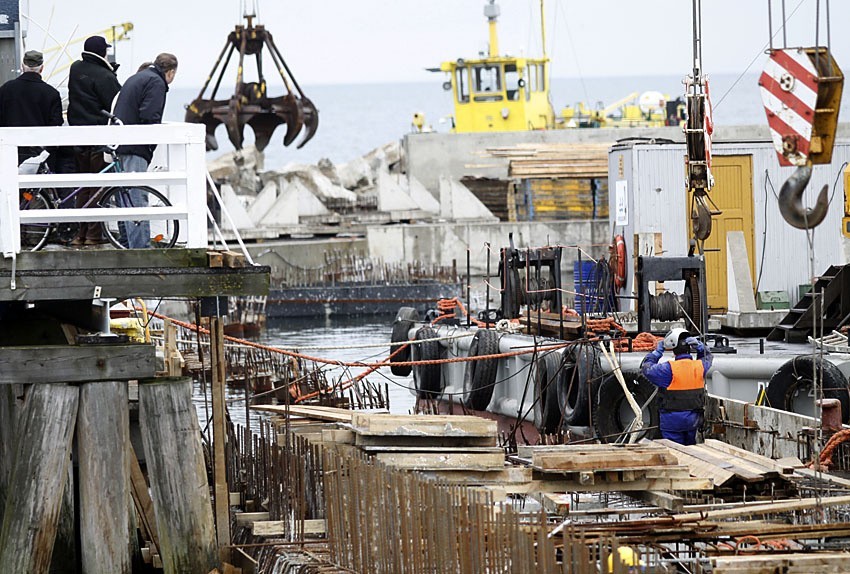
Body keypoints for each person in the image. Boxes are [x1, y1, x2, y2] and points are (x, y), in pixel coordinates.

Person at [112, 52, 178, 248]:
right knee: (136, 196)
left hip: (122, 142)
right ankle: (141, 248)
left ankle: (127, 241)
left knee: (125, 195)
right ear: (171, 72)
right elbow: (150, 114)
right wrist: (151, 143)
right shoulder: (156, 83)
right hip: (136, 145)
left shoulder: (137, 78)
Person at [67, 35, 122, 246]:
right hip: (98, 136)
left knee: (82, 186)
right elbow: (114, 102)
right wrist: (111, 73)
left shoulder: (75, 69)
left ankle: (78, 234)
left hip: (77, 136)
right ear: (102, 52)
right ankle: (93, 235)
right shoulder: (105, 76)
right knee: (97, 186)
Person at [641, 328, 712, 445]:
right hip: (692, 421)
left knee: (673, 451)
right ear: (689, 348)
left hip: (671, 422)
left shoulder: (667, 369)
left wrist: (657, 353)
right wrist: (701, 347)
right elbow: (708, 356)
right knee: (691, 452)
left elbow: (646, 368)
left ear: (674, 350)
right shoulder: (700, 366)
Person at [0, 50, 63, 166]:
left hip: (11, 149)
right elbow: (55, 125)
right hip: (40, 153)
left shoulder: (5, 89)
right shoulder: (51, 93)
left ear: (22, 66)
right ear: (42, 68)